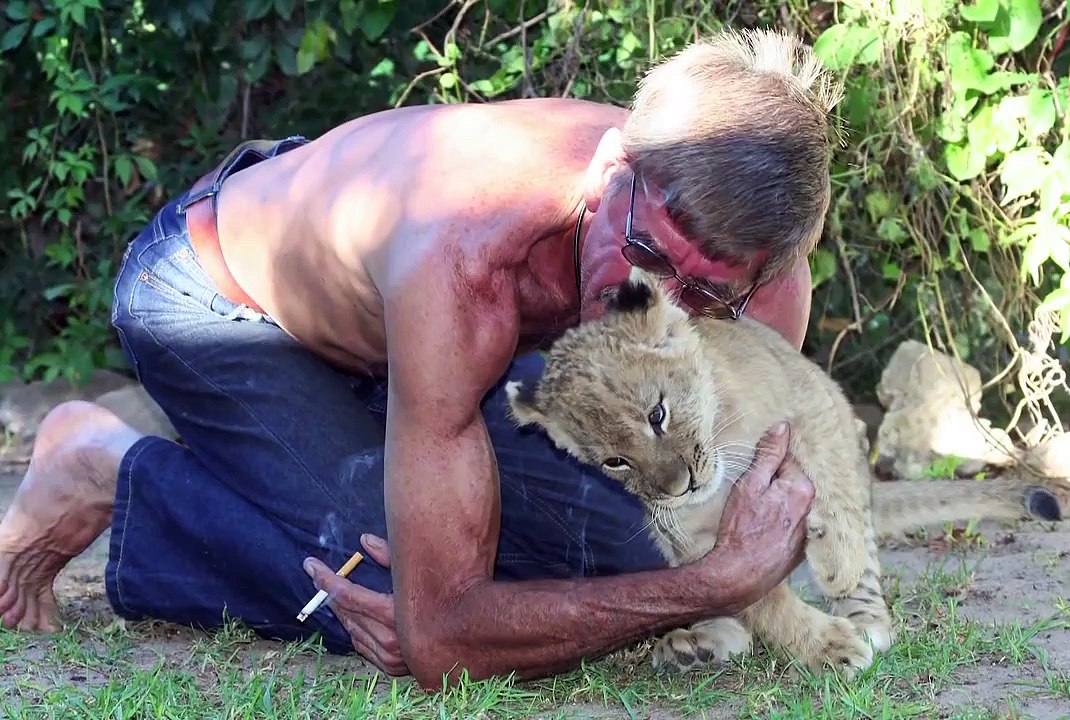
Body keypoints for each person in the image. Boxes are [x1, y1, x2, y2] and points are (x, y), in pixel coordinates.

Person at [0, 28, 840, 689]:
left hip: (418, 351)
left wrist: (733, 551)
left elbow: (739, 505)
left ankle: (338, 473)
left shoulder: (761, 281)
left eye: (705, 295)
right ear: (614, 164)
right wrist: (711, 588)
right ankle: (109, 468)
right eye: (643, 251)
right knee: (381, 592)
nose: (653, 300)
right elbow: (443, 644)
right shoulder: (467, 244)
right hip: (222, 305)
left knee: (616, 546)